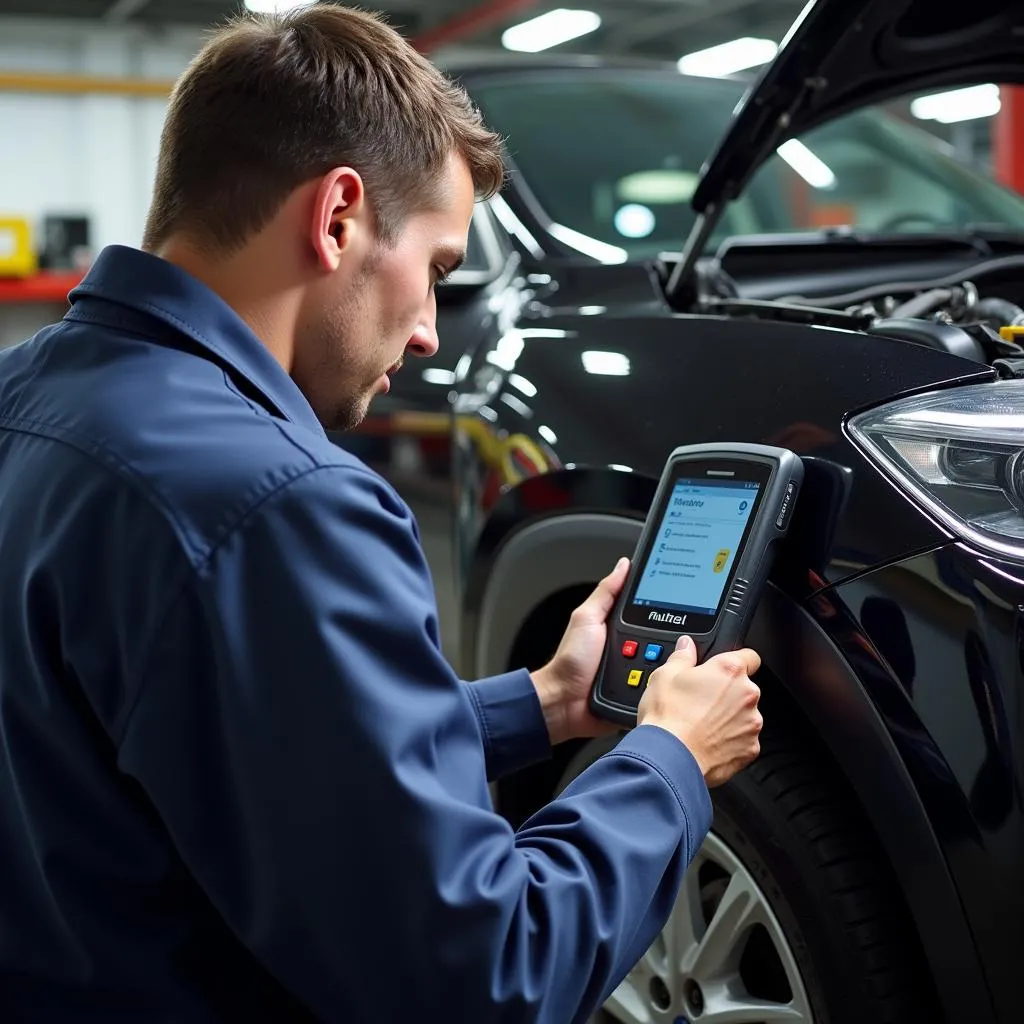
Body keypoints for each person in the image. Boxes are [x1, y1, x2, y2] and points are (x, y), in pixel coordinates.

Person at [0, 6, 763, 1022]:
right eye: (439, 272)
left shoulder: (26, 399)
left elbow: (210, 741)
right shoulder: (279, 506)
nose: (430, 338)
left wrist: (537, 703)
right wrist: (668, 760)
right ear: (337, 218)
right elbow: (488, 973)